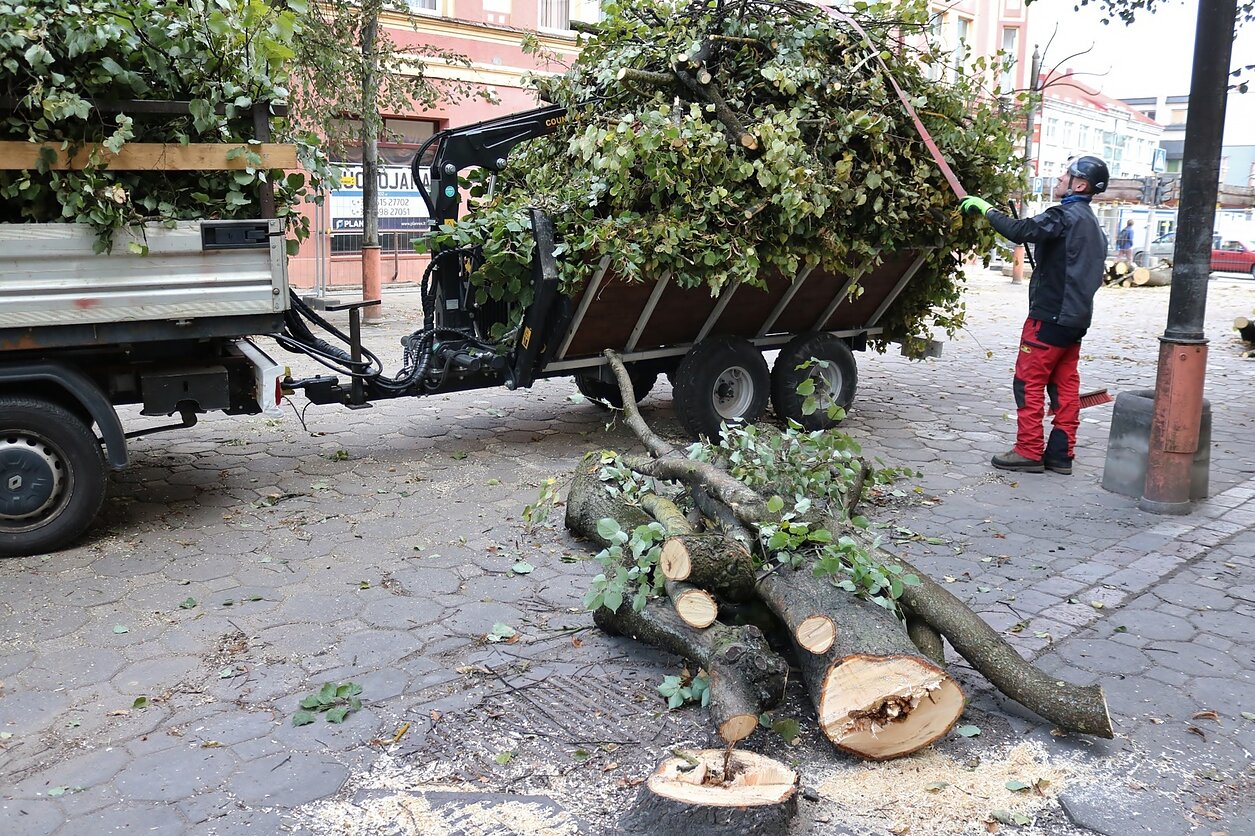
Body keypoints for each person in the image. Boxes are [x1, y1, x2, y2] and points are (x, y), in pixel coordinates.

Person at [959, 155, 1109, 475]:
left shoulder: (1064, 215)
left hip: (1049, 318)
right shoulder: (1094, 226)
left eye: (1065, 175)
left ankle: (1028, 450)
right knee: (1064, 386)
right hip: (1076, 321)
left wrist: (986, 209)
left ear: (1079, 184)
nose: (1058, 178)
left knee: (1027, 382)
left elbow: (1020, 230)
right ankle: (1060, 454)